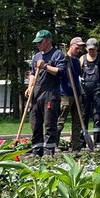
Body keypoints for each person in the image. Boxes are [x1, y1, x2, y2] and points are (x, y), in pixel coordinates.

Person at [26, 29, 67, 157]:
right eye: (37, 42)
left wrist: (45, 67)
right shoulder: (36, 56)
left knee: (49, 124)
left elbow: (60, 72)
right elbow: (32, 73)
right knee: (35, 124)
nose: (38, 45)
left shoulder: (57, 54)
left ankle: (49, 152)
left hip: (50, 93)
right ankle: (36, 151)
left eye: (40, 42)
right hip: (36, 93)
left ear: (48, 40)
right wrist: (29, 87)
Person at [57, 37, 87, 151]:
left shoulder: (75, 60)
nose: (79, 49)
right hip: (65, 94)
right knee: (60, 120)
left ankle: (76, 145)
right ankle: (54, 144)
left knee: (78, 121)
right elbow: (59, 73)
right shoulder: (62, 59)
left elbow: (79, 73)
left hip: (77, 94)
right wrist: (65, 62)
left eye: (80, 47)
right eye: (77, 47)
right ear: (71, 45)